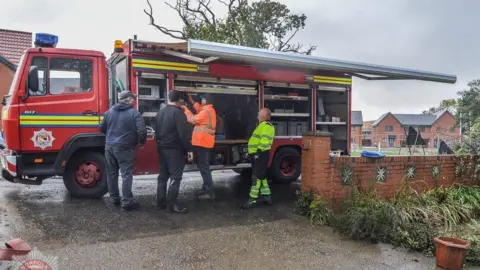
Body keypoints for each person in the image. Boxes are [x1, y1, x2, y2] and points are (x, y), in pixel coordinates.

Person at [99, 90, 147, 211]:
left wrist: (111, 137)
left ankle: (114, 199)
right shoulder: (134, 113)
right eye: (133, 99)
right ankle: (127, 202)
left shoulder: (108, 112)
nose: (135, 101)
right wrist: (141, 142)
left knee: (112, 173)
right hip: (125, 147)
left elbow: (101, 127)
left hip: (109, 146)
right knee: (126, 174)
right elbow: (142, 131)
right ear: (129, 100)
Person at [155, 90, 193, 214]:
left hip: (161, 148)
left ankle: (160, 203)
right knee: (175, 177)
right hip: (174, 150)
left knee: (163, 176)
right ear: (179, 100)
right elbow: (183, 134)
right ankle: (171, 205)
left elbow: (156, 131)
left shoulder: (160, 112)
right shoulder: (179, 113)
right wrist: (189, 149)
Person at [181, 93, 217, 200]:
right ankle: (206, 188)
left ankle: (210, 192)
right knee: (203, 167)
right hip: (204, 143)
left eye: (202, 99)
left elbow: (191, 119)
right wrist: (192, 102)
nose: (201, 101)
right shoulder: (208, 110)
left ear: (205, 100)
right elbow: (199, 109)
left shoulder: (205, 112)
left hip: (203, 143)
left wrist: (185, 109)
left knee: (204, 168)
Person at [242, 108, 275, 209]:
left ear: (264, 116)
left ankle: (253, 199)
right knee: (261, 176)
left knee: (256, 177)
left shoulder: (266, 126)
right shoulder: (263, 126)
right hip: (259, 154)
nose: (257, 115)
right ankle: (266, 196)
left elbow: (265, 142)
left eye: (259, 114)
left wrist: (258, 154)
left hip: (260, 154)